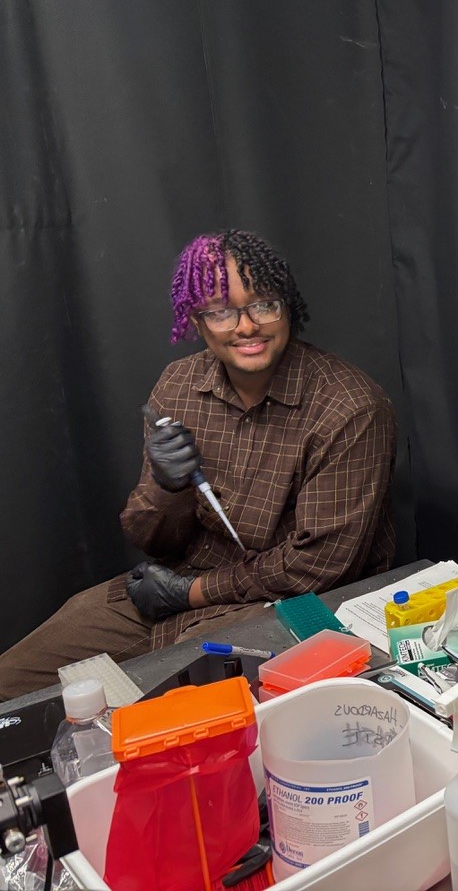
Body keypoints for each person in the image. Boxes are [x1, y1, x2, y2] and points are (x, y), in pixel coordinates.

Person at [0, 230, 397, 700]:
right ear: (196, 320)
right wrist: (167, 489)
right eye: (221, 311)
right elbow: (149, 538)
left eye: (263, 304)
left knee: (163, 707)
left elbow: (318, 567)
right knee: (14, 683)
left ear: (287, 306)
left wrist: (191, 593)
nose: (246, 326)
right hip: (170, 586)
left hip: (285, 606)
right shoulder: (178, 385)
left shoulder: (350, 407)